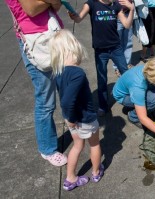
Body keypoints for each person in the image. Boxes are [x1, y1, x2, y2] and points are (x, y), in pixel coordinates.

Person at [5, 0, 67, 166]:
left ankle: (73, 125)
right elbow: (31, 9)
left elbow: (57, 5)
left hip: (52, 34)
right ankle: (47, 149)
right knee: (46, 100)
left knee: (66, 86)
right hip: (36, 42)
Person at [49, 29, 104, 191]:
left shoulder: (58, 72)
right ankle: (95, 172)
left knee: (77, 146)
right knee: (94, 144)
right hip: (84, 118)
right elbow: (67, 101)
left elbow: (65, 99)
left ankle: (70, 178)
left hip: (71, 119)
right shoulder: (78, 74)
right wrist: (72, 118)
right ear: (74, 49)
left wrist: (69, 119)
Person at [69, 0, 135, 116]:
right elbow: (78, 19)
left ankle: (133, 100)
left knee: (126, 74)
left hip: (116, 48)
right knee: (102, 79)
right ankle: (103, 106)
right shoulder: (92, 4)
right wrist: (73, 15)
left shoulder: (116, 5)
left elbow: (127, 24)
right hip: (100, 50)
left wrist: (132, 9)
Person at [112, 0, 134, 77]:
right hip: (117, 15)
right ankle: (117, 67)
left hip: (129, 13)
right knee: (117, 43)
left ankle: (127, 63)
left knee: (128, 42)